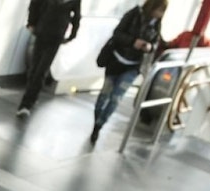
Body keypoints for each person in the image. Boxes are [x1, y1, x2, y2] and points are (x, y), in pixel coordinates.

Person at [90, 0, 168, 144]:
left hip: (133, 66)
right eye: (159, 10)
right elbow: (117, 33)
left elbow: (157, 42)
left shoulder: (156, 23)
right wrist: (133, 41)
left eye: (163, 11)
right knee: (104, 96)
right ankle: (97, 121)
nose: (160, 14)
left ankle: (99, 126)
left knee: (116, 98)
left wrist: (150, 47)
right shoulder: (134, 14)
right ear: (152, 7)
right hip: (116, 61)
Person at [16, 0, 82, 118]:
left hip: (56, 36)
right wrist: (31, 23)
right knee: (34, 69)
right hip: (42, 31)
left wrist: (72, 35)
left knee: (41, 70)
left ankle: (26, 103)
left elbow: (77, 16)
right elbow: (35, 4)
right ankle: (32, 96)